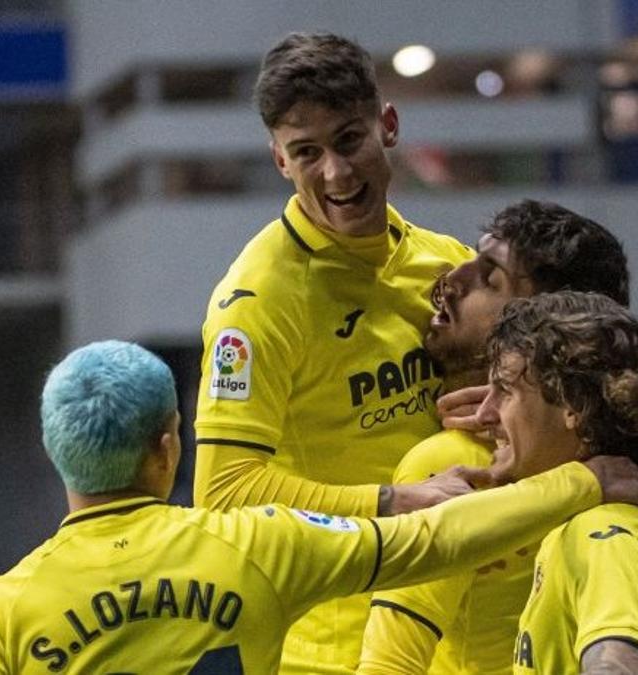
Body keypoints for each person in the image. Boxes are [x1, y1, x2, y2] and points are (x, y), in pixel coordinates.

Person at [0, 341, 638, 674]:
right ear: (168, 446)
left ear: (55, 451)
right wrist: (581, 480)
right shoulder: (254, 544)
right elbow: (432, 541)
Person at [192, 32, 475, 672]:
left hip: (455, 640)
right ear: (280, 162)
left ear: (388, 126)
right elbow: (224, 494)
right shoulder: (257, 299)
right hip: (328, 654)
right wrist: (392, 503)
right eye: (307, 153)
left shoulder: (452, 267)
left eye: (349, 140)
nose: (336, 173)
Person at [359, 199, 630, 674]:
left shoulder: (450, 471)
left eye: (490, 278)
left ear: (541, 327)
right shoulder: (620, 463)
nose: (451, 279)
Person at [475, 292, 638, 674]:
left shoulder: (600, 533)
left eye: (505, 391)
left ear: (572, 407)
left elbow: (616, 666)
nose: (484, 413)